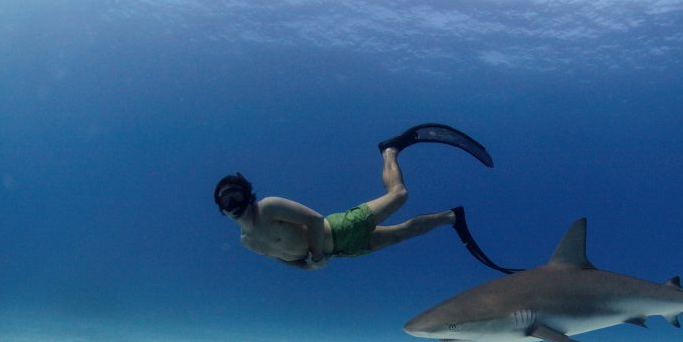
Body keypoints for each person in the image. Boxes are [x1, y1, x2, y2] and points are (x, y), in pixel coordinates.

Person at [214, 123, 521, 273]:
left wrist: (318, 255)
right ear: (222, 211)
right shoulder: (248, 242)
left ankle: (390, 150)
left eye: (236, 196)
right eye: (226, 202)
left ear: (250, 195)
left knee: (399, 196)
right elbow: (283, 258)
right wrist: (308, 268)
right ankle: (451, 217)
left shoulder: (268, 208)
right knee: (403, 234)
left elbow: (315, 220)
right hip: (344, 252)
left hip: (342, 228)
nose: (233, 204)